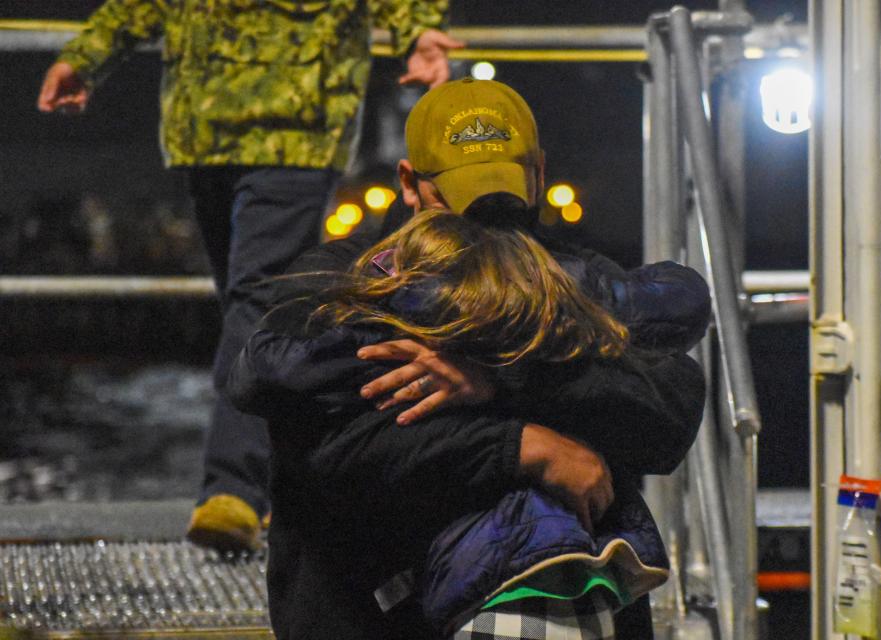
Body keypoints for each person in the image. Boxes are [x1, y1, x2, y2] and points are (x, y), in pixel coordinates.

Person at [237, 78, 711, 638]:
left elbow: (670, 411)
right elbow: (327, 454)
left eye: (503, 191)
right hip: (374, 613)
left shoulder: (573, 276)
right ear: (410, 184)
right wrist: (522, 446)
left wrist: (501, 377)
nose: (485, 218)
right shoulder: (343, 283)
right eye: (462, 195)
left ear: (537, 173)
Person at [36, 0, 465, 550]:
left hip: (294, 128)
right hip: (207, 131)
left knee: (256, 300)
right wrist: (86, 59)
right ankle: (283, 478)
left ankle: (233, 488)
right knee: (252, 307)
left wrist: (419, 32)